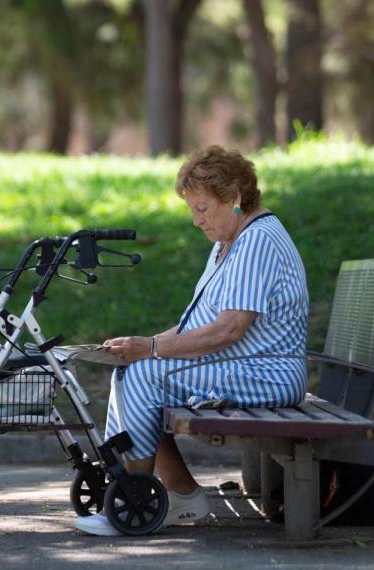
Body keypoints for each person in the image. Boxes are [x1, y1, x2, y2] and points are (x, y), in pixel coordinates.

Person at [76, 145, 309, 536]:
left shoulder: (258, 241)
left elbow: (228, 330)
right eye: (192, 209)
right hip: (242, 365)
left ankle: (133, 500)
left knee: (145, 376)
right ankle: (178, 494)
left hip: (268, 373)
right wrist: (141, 345)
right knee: (133, 370)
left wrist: (150, 349)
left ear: (234, 197)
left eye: (203, 208)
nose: (196, 220)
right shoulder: (228, 243)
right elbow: (194, 324)